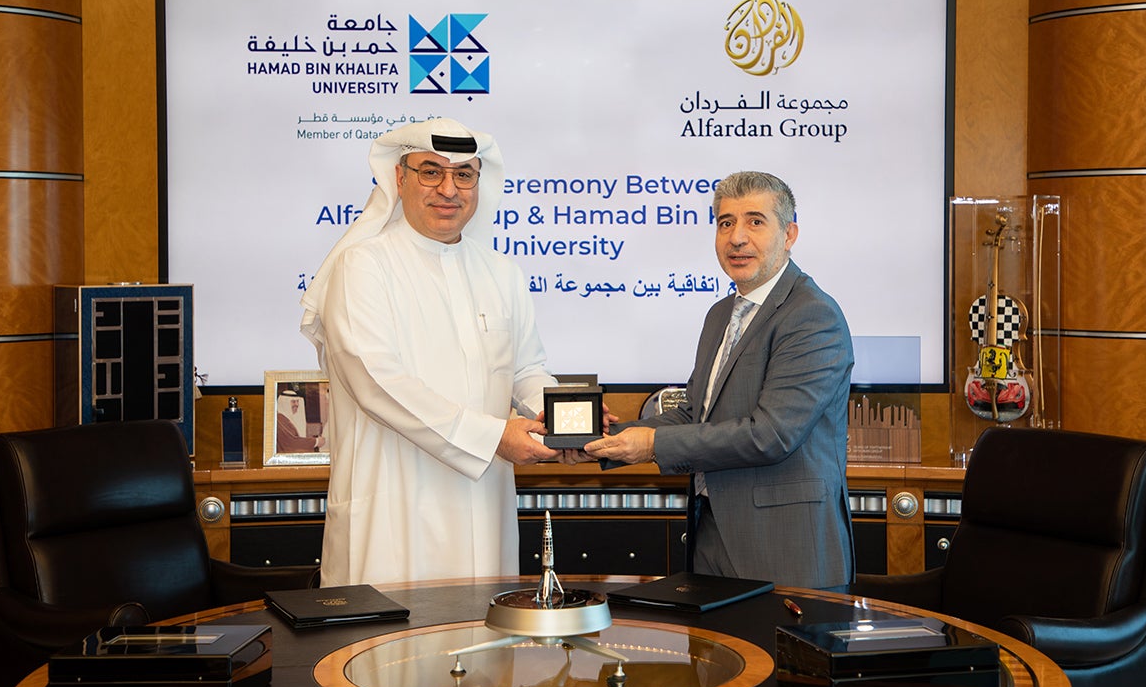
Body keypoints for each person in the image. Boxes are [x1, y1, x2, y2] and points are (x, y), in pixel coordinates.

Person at [300, 117, 564, 586]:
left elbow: (526, 369)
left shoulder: (501, 271)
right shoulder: (361, 266)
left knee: (483, 650)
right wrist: (492, 438)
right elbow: (378, 382)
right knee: (386, 652)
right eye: (430, 172)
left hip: (482, 505)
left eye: (464, 174)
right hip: (392, 507)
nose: (449, 189)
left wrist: (567, 422)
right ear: (399, 179)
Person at [583, 171, 855, 590]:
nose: (737, 237)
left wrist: (651, 444)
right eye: (725, 222)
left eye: (755, 221)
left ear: (789, 233)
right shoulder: (719, 315)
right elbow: (696, 413)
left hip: (786, 551)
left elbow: (771, 435)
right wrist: (598, 440)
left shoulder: (811, 315)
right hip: (713, 540)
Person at [275, 388, 325, 453]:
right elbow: (291, 442)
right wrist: (316, 441)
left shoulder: (288, 418)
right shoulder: (280, 420)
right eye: (293, 402)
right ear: (284, 403)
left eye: (297, 401)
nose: (297, 404)